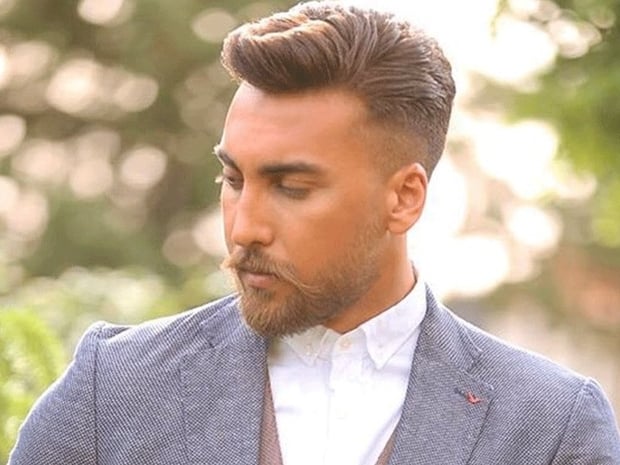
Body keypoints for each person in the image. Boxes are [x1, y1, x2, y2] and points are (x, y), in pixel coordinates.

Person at [9, 1, 620, 464]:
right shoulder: (114, 390)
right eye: (232, 179)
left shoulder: (550, 427)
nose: (245, 227)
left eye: (291, 187)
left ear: (404, 198)